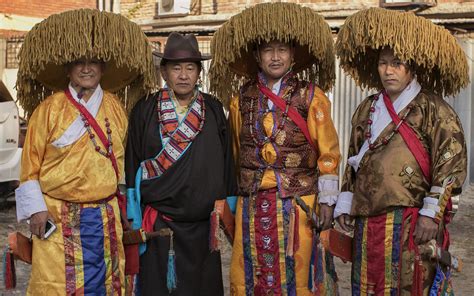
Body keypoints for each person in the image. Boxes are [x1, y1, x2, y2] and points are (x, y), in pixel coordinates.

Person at [14, 9, 156, 295]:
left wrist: (126, 208)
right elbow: (29, 165)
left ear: (103, 68)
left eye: (94, 62)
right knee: (56, 285)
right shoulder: (48, 110)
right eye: (79, 62)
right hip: (58, 215)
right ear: (68, 69)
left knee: (105, 282)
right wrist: (36, 211)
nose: (87, 68)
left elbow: (120, 161)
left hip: (105, 217)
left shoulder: (115, 107)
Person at [335, 8, 468, 295]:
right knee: (370, 285)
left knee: (410, 284)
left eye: (397, 63)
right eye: (383, 63)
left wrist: (432, 214)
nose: (388, 70)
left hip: (411, 220)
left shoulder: (434, 109)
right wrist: (345, 201)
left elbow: (452, 164)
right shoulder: (367, 107)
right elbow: (353, 158)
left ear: (412, 66)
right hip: (367, 223)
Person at [209, 3, 341, 295]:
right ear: (257, 55)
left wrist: (329, 203)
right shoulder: (241, 99)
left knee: (300, 274)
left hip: (298, 203)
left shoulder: (310, 96)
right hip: (251, 204)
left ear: (293, 54)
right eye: (268, 50)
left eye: (282, 49)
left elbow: (328, 153)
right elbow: (234, 153)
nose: (276, 57)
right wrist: (229, 203)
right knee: (249, 273)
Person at [125, 32, 235, 295]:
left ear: (199, 72)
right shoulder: (145, 109)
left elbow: (227, 162)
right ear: (164, 72)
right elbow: (132, 163)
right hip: (160, 227)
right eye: (176, 68)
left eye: (190, 68)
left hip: (203, 228)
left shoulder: (214, 108)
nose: (183, 75)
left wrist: (229, 211)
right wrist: (132, 214)